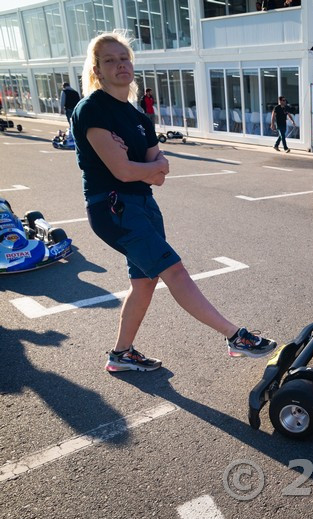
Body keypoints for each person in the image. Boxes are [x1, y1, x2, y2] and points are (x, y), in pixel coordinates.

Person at [71, 32, 276, 373]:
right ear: (97, 69)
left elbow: (160, 175)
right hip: (112, 206)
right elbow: (122, 171)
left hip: (144, 205)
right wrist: (146, 167)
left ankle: (121, 355)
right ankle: (234, 336)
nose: (120, 65)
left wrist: (145, 168)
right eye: (110, 60)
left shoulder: (139, 119)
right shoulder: (91, 109)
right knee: (174, 271)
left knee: (145, 282)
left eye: (124, 58)